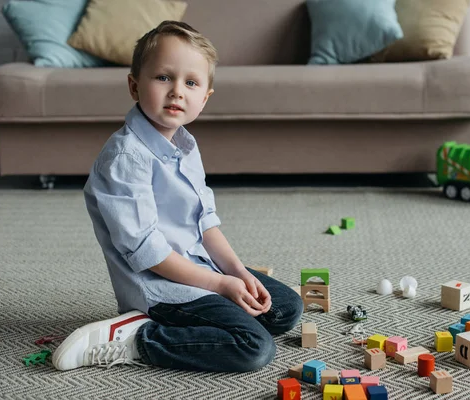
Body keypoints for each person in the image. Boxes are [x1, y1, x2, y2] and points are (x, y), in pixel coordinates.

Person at [52, 21, 303, 373]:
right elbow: (147, 252)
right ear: (134, 86)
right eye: (163, 78)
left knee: (286, 308)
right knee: (254, 347)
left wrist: (235, 272)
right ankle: (138, 339)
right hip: (161, 286)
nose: (177, 92)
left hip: (201, 267)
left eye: (191, 82)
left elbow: (205, 222)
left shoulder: (184, 144)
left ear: (205, 97)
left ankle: (208, 320)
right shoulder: (125, 157)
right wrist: (219, 284)